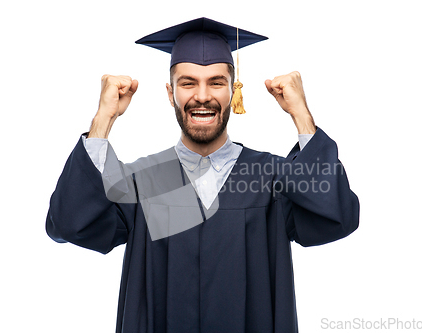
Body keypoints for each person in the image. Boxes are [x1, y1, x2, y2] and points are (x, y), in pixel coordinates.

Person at [46, 17, 359, 333]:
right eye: (188, 82)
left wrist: (302, 116)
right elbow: (69, 223)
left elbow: (337, 217)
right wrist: (103, 120)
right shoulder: (145, 183)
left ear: (233, 92)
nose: (202, 95)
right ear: (171, 94)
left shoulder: (271, 180)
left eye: (217, 82)